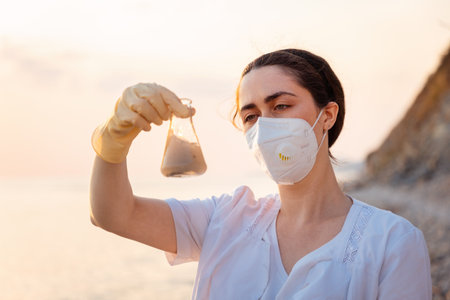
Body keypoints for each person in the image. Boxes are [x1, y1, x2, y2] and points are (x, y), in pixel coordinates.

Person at [89, 49, 432, 299]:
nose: (265, 126)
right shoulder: (224, 220)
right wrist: (113, 141)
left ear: (327, 115)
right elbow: (114, 214)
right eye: (251, 116)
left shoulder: (392, 242)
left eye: (281, 106)